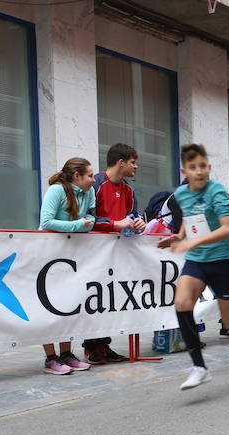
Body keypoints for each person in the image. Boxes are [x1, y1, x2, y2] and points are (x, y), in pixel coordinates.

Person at [157, 144, 229, 390]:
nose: (198, 171)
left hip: (222, 261)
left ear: (209, 167)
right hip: (198, 260)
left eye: (202, 166)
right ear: (184, 170)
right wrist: (178, 237)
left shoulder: (217, 192)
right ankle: (199, 367)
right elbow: (191, 219)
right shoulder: (181, 194)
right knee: (181, 303)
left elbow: (228, 228)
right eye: (193, 167)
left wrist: (192, 240)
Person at [83, 143, 146, 364]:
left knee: (109, 298)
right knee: (94, 298)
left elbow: (134, 214)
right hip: (93, 252)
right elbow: (87, 218)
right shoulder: (95, 184)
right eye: (132, 162)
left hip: (118, 253)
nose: (136, 167)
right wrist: (115, 223)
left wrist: (139, 222)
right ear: (121, 162)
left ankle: (103, 344)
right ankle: (91, 347)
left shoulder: (129, 189)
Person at [39, 158, 97, 375]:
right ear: (76, 176)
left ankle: (66, 354)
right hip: (48, 253)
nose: (93, 179)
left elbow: (91, 215)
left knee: (68, 304)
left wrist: (88, 222)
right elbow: (46, 222)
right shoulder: (56, 191)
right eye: (90, 175)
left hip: (71, 254)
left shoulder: (89, 191)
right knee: (48, 306)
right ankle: (50, 358)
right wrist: (76, 226)